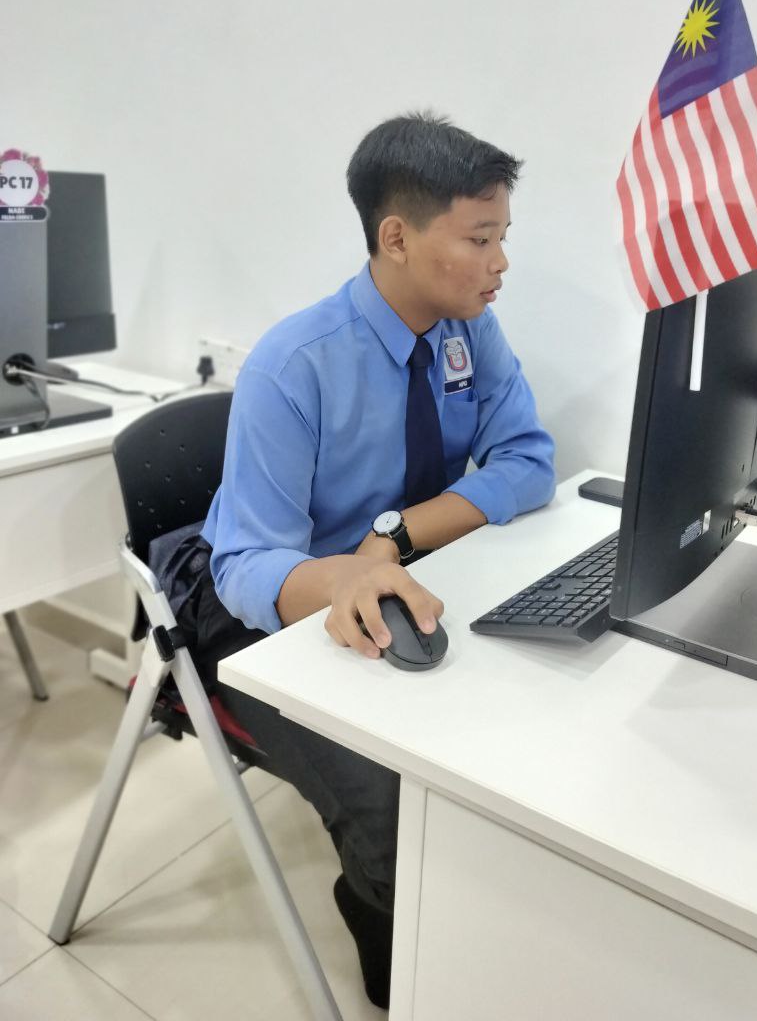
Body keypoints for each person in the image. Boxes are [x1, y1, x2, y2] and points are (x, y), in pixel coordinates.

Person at [194, 112, 556, 1008]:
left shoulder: (469, 333)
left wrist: (393, 539)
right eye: (480, 239)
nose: (501, 263)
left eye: (502, 237)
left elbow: (528, 461)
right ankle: (380, 923)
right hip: (267, 617)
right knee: (398, 819)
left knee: (510, 750)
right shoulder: (295, 364)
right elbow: (245, 563)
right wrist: (347, 577)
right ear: (396, 238)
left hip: (392, 588)